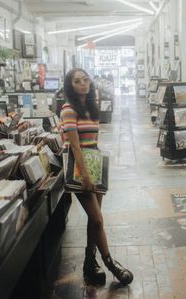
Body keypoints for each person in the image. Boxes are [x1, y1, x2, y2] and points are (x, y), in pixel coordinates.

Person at [59, 68, 133, 286]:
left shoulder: (91, 107)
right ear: (70, 86)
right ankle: (110, 263)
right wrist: (86, 176)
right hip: (80, 170)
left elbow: (92, 142)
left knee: (94, 219)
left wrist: (98, 169)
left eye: (85, 80)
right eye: (77, 81)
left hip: (95, 165)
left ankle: (89, 264)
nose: (83, 84)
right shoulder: (68, 109)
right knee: (98, 218)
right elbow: (75, 146)